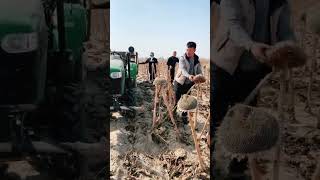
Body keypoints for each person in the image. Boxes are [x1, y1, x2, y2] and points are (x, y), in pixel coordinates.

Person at [211, 0, 295, 178]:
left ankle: (238, 169)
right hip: (226, 66)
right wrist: (251, 45)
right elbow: (232, 25)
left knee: (246, 120)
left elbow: (286, 31)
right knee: (216, 115)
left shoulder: (279, 2)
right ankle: (210, 163)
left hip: (255, 69)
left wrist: (289, 49)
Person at [174, 41, 202, 108]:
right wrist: (189, 75)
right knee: (177, 101)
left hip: (189, 84)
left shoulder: (197, 60)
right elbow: (183, 70)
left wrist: (200, 77)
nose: (188, 52)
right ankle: (174, 115)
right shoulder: (182, 58)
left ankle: (184, 117)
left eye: (190, 50)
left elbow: (199, 72)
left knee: (186, 102)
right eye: (187, 50)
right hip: (179, 82)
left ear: (194, 50)